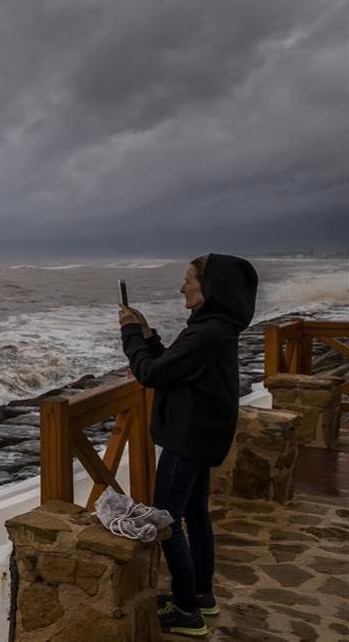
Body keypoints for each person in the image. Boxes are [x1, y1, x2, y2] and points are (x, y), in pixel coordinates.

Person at [117, 253, 258, 638]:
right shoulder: (215, 327)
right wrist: (148, 335)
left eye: (189, 280)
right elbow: (174, 367)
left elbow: (150, 373)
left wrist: (130, 335)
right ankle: (201, 595)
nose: (182, 287)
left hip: (189, 439)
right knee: (196, 516)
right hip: (202, 435)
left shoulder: (207, 332)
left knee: (167, 521)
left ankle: (186, 610)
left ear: (209, 287)